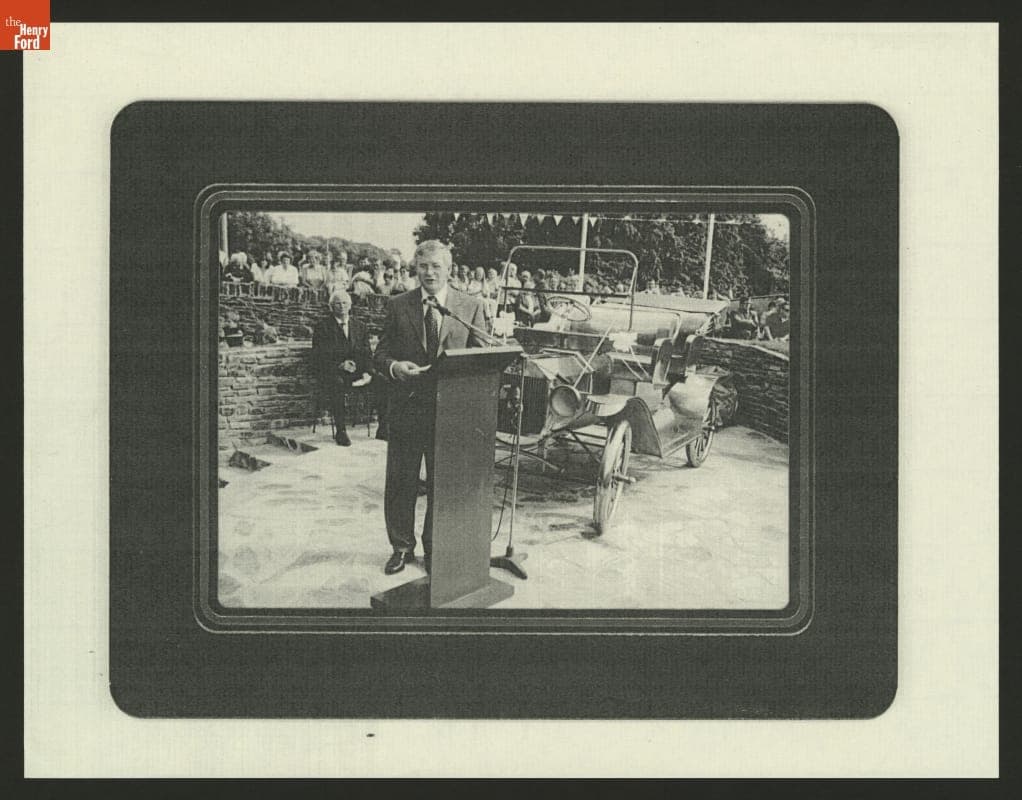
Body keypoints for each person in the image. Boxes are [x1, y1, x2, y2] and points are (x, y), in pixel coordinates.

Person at [374, 239, 488, 575]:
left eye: (436, 266)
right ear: (415, 269)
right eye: (423, 266)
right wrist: (395, 367)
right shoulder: (398, 305)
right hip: (407, 409)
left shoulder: (470, 306)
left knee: (443, 483)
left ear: (449, 270)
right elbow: (380, 355)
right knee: (401, 481)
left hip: (450, 412)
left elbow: (482, 356)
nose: (429, 273)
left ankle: (436, 548)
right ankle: (401, 547)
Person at [311, 290, 371, 447]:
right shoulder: (323, 327)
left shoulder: (360, 326)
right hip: (333, 372)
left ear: (350, 305)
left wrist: (366, 372)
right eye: (337, 304)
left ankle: (383, 428)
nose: (342, 306)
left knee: (382, 380)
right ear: (331, 307)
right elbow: (318, 356)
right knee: (337, 384)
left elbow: (367, 353)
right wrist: (340, 365)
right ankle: (341, 430)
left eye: (345, 303)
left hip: (357, 371)